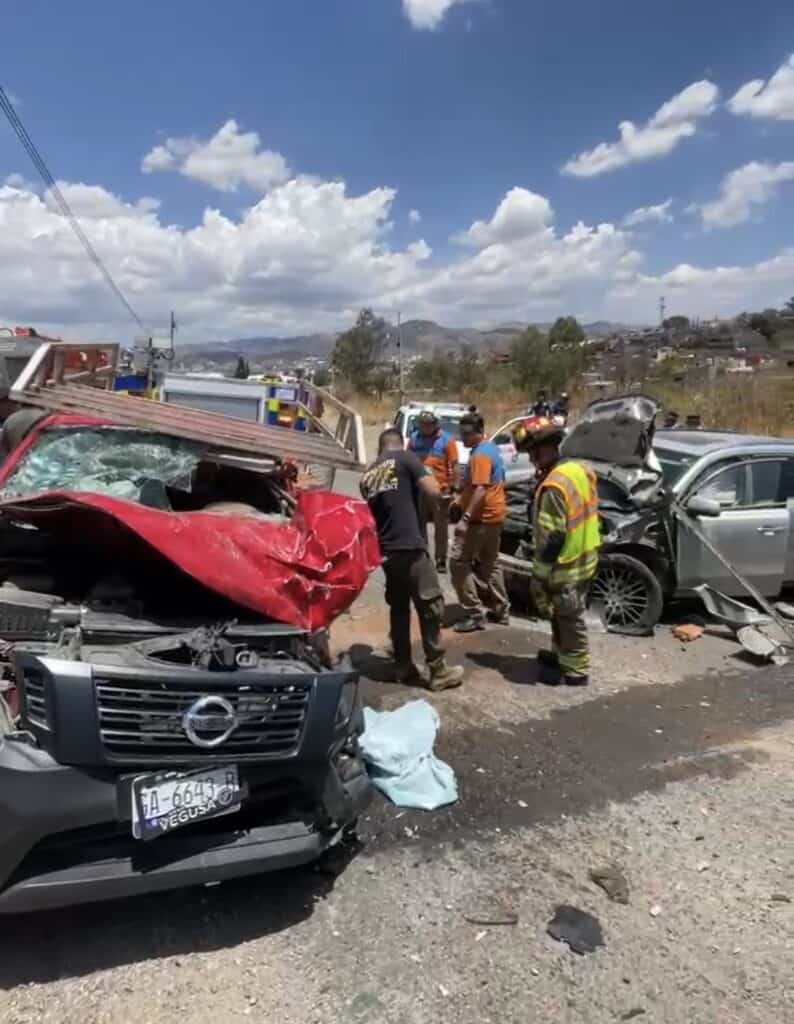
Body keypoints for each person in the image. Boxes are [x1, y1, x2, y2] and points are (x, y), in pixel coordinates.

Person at [360, 429, 464, 691]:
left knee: (399, 608)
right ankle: (438, 671)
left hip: (386, 550)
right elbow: (432, 491)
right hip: (410, 545)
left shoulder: (368, 475)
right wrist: (445, 501)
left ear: (380, 449)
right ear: (400, 444)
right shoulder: (406, 458)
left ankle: (403, 665)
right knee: (430, 605)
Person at [512, 416, 601, 686]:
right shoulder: (578, 470)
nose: (532, 460)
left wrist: (539, 576)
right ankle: (560, 656)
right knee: (561, 615)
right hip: (585, 557)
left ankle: (575, 671)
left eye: (533, 453)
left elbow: (553, 537)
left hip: (566, 566)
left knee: (569, 618)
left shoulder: (554, 485)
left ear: (547, 447)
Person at [449, 412, 509, 632]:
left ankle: (474, 613)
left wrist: (465, 518)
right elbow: (480, 484)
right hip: (495, 516)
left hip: (480, 519)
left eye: (466, 434)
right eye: (460, 433)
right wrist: (459, 499)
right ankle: (501, 610)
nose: (462, 438)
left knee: (458, 564)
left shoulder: (480, 456)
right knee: (491, 563)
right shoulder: (490, 448)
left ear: (477, 432)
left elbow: (481, 489)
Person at [408, 410, 461, 573]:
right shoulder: (414, 439)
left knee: (441, 527)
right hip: (419, 489)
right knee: (418, 523)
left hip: (440, 490)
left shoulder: (446, 440)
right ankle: (422, 555)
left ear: (434, 424)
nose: (425, 427)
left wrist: (454, 488)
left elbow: (455, 465)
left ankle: (440, 559)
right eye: (422, 423)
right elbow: (407, 460)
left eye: (428, 424)